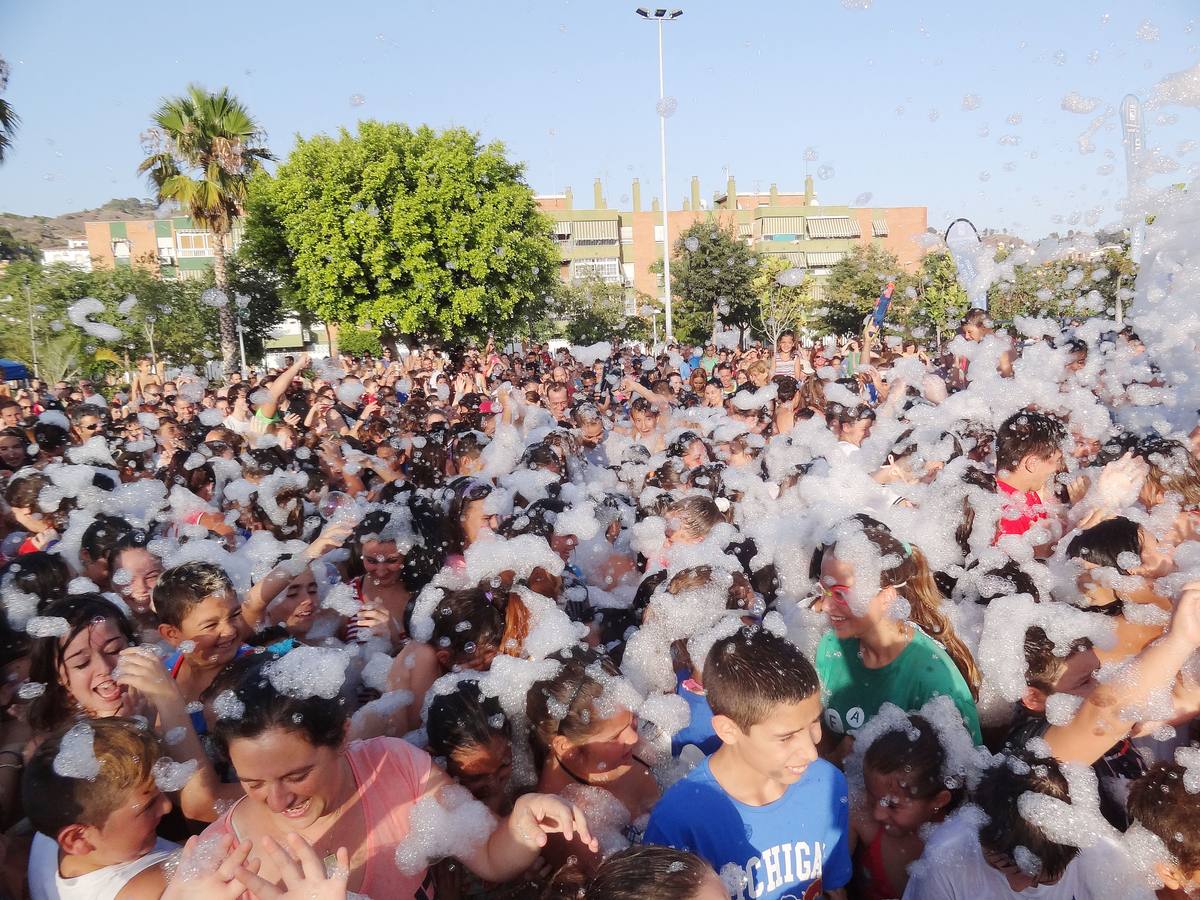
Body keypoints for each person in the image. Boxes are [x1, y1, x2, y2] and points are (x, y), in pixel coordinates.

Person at [202, 653, 597, 898]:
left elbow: (491, 856)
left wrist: (522, 820)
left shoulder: (394, 766)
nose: (278, 798)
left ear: (341, 738)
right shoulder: (219, 863)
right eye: (252, 782)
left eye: (297, 775)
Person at [645, 627, 852, 900]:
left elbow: (832, 885)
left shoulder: (826, 783)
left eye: (814, 722)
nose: (811, 752)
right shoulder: (678, 821)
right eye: (787, 737)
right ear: (728, 730)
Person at [811, 516, 983, 754]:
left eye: (840, 594)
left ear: (888, 596)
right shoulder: (830, 647)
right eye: (824, 591)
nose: (826, 606)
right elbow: (819, 740)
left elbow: (961, 778)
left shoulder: (934, 682)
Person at [24, 718, 179, 900]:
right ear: (77, 838)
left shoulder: (46, 836)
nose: (167, 806)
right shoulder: (151, 889)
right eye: (148, 805)